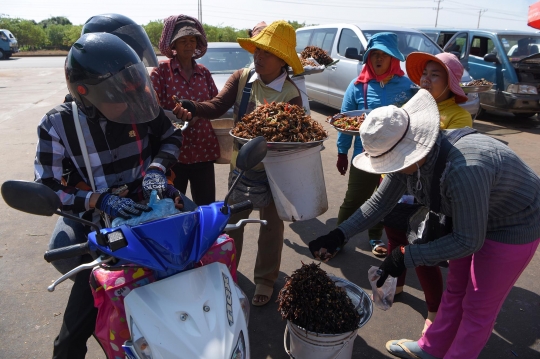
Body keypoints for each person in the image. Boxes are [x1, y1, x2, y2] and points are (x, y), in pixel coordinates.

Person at [309, 89, 540, 359]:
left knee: (478, 307)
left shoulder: (464, 168)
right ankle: (432, 348)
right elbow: (378, 204)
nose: (388, 167)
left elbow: (468, 241)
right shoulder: (408, 157)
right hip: (471, 216)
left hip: (513, 222)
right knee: (456, 289)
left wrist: (406, 254)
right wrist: (338, 234)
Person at [36, 33, 189, 359]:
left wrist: (157, 169)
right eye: (117, 95)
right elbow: (47, 185)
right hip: (100, 231)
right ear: (85, 95)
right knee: (71, 339)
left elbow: (170, 137)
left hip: (152, 214)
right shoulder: (57, 125)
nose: (130, 104)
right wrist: (98, 200)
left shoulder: (140, 105)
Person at [173, 20, 303, 306]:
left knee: (271, 226)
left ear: (282, 59)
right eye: (257, 50)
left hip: (274, 170)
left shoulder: (291, 94)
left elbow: (294, 140)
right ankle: (226, 272)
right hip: (241, 167)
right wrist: (193, 107)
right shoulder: (243, 77)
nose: (258, 57)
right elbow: (217, 105)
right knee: (232, 223)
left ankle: (265, 280)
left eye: (266, 53)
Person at [380, 51, 473, 335]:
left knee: (419, 249)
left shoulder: (459, 116)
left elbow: (447, 157)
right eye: (425, 74)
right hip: (400, 185)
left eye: (436, 75)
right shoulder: (413, 105)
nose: (427, 80)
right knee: (394, 235)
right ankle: (396, 285)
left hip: (429, 194)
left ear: (450, 83)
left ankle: (434, 308)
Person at [336, 32, 414, 258]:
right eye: (374, 54)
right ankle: (338, 237)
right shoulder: (357, 85)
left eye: (384, 54)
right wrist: (342, 152)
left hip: (395, 158)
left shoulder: (408, 86)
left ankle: (374, 237)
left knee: (385, 201)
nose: (378, 59)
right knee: (354, 200)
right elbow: (345, 121)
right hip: (364, 156)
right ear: (368, 58)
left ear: (393, 58)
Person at [150, 15, 220, 206]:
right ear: (174, 44)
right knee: (173, 208)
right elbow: (152, 109)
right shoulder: (161, 71)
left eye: (192, 40)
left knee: (205, 207)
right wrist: (179, 118)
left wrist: (199, 113)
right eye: (183, 41)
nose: (188, 45)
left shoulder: (203, 72)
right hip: (173, 154)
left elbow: (216, 103)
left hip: (203, 151)